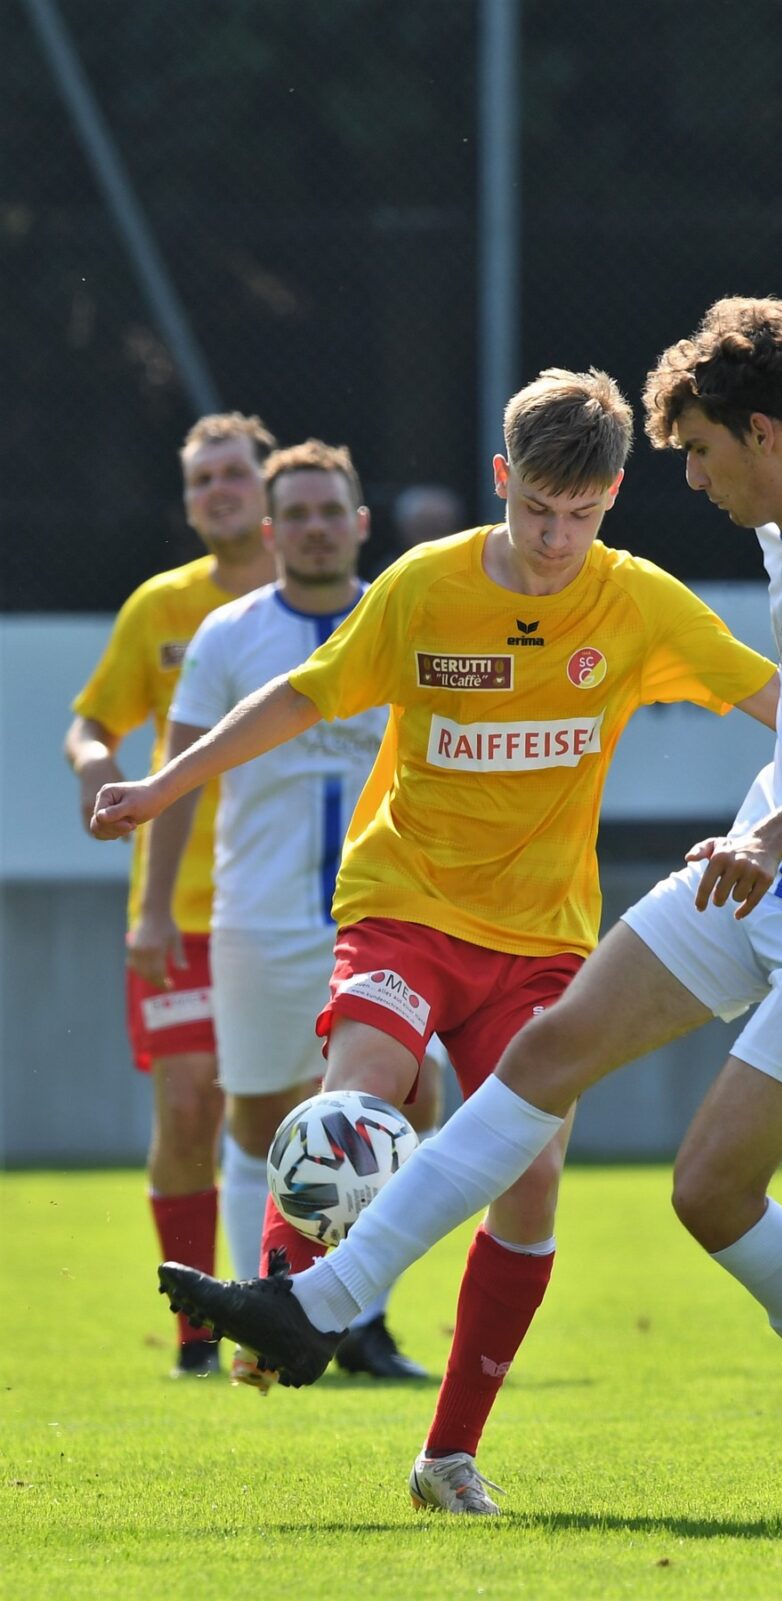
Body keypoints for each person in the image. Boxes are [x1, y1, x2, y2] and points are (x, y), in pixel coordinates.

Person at [145, 302, 782, 1522]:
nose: (693, 478)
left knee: (709, 1190)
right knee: (547, 1057)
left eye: (701, 450)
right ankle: (316, 1303)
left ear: (765, 434)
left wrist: (771, 830)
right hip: (754, 871)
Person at [91, 365, 782, 1508]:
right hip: (405, 905)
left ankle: (448, 1454)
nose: (555, 539)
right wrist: (166, 785)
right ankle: (279, 1293)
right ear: (503, 479)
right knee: (358, 1095)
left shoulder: (641, 602)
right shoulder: (425, 585)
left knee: (533, 1174)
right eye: (536, 509)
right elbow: (306, 693)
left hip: (543, 940)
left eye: (581, 515)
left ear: (614, 494)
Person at [141, 437, 440, 1388]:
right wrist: (154, 909)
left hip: (386, 915)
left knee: (407, 1104)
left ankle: (365, 1321)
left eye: (331, 511)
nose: (316, 528)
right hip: (258, 920)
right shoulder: (228, 634)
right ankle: (266, 1312)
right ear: (272, 531)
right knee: (260, 1119)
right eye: (298, 513)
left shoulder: (408, 619)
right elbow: (180, 777)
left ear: (360, 523)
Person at [64, 411, 278, 1377]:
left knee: (293, 1115)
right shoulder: (160, 607)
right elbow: (91, 724)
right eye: (200, 480)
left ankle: (317, 1311)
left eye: (232, 473)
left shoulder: (316, 602)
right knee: (191, 1105)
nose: (217, 491)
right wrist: (94, 763)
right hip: (182, 908)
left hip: (298, 907)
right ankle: (198, 1328)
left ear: (267, 483)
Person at [370, 483, 465, 577]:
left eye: (440, 525)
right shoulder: (389, 572)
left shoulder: (468, 568)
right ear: (404, 528)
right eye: (424, 525)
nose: (432, 535)